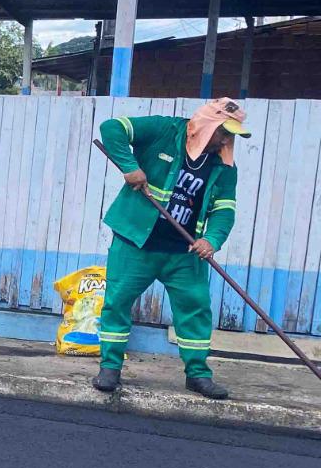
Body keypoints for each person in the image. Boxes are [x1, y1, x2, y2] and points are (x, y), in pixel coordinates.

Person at [92, 98, 248, 400]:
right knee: (118, 301)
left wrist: (211, 240)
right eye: (223, 132)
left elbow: (224, 209)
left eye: (231, 135)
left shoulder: (224, 167)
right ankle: (110, 368)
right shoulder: (165, 131)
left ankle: (198, 375)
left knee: (195, 309)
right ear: (207, 124)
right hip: (137, 243)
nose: (226, 140)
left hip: (184, 251)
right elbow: (112, 129)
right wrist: (130, 167)